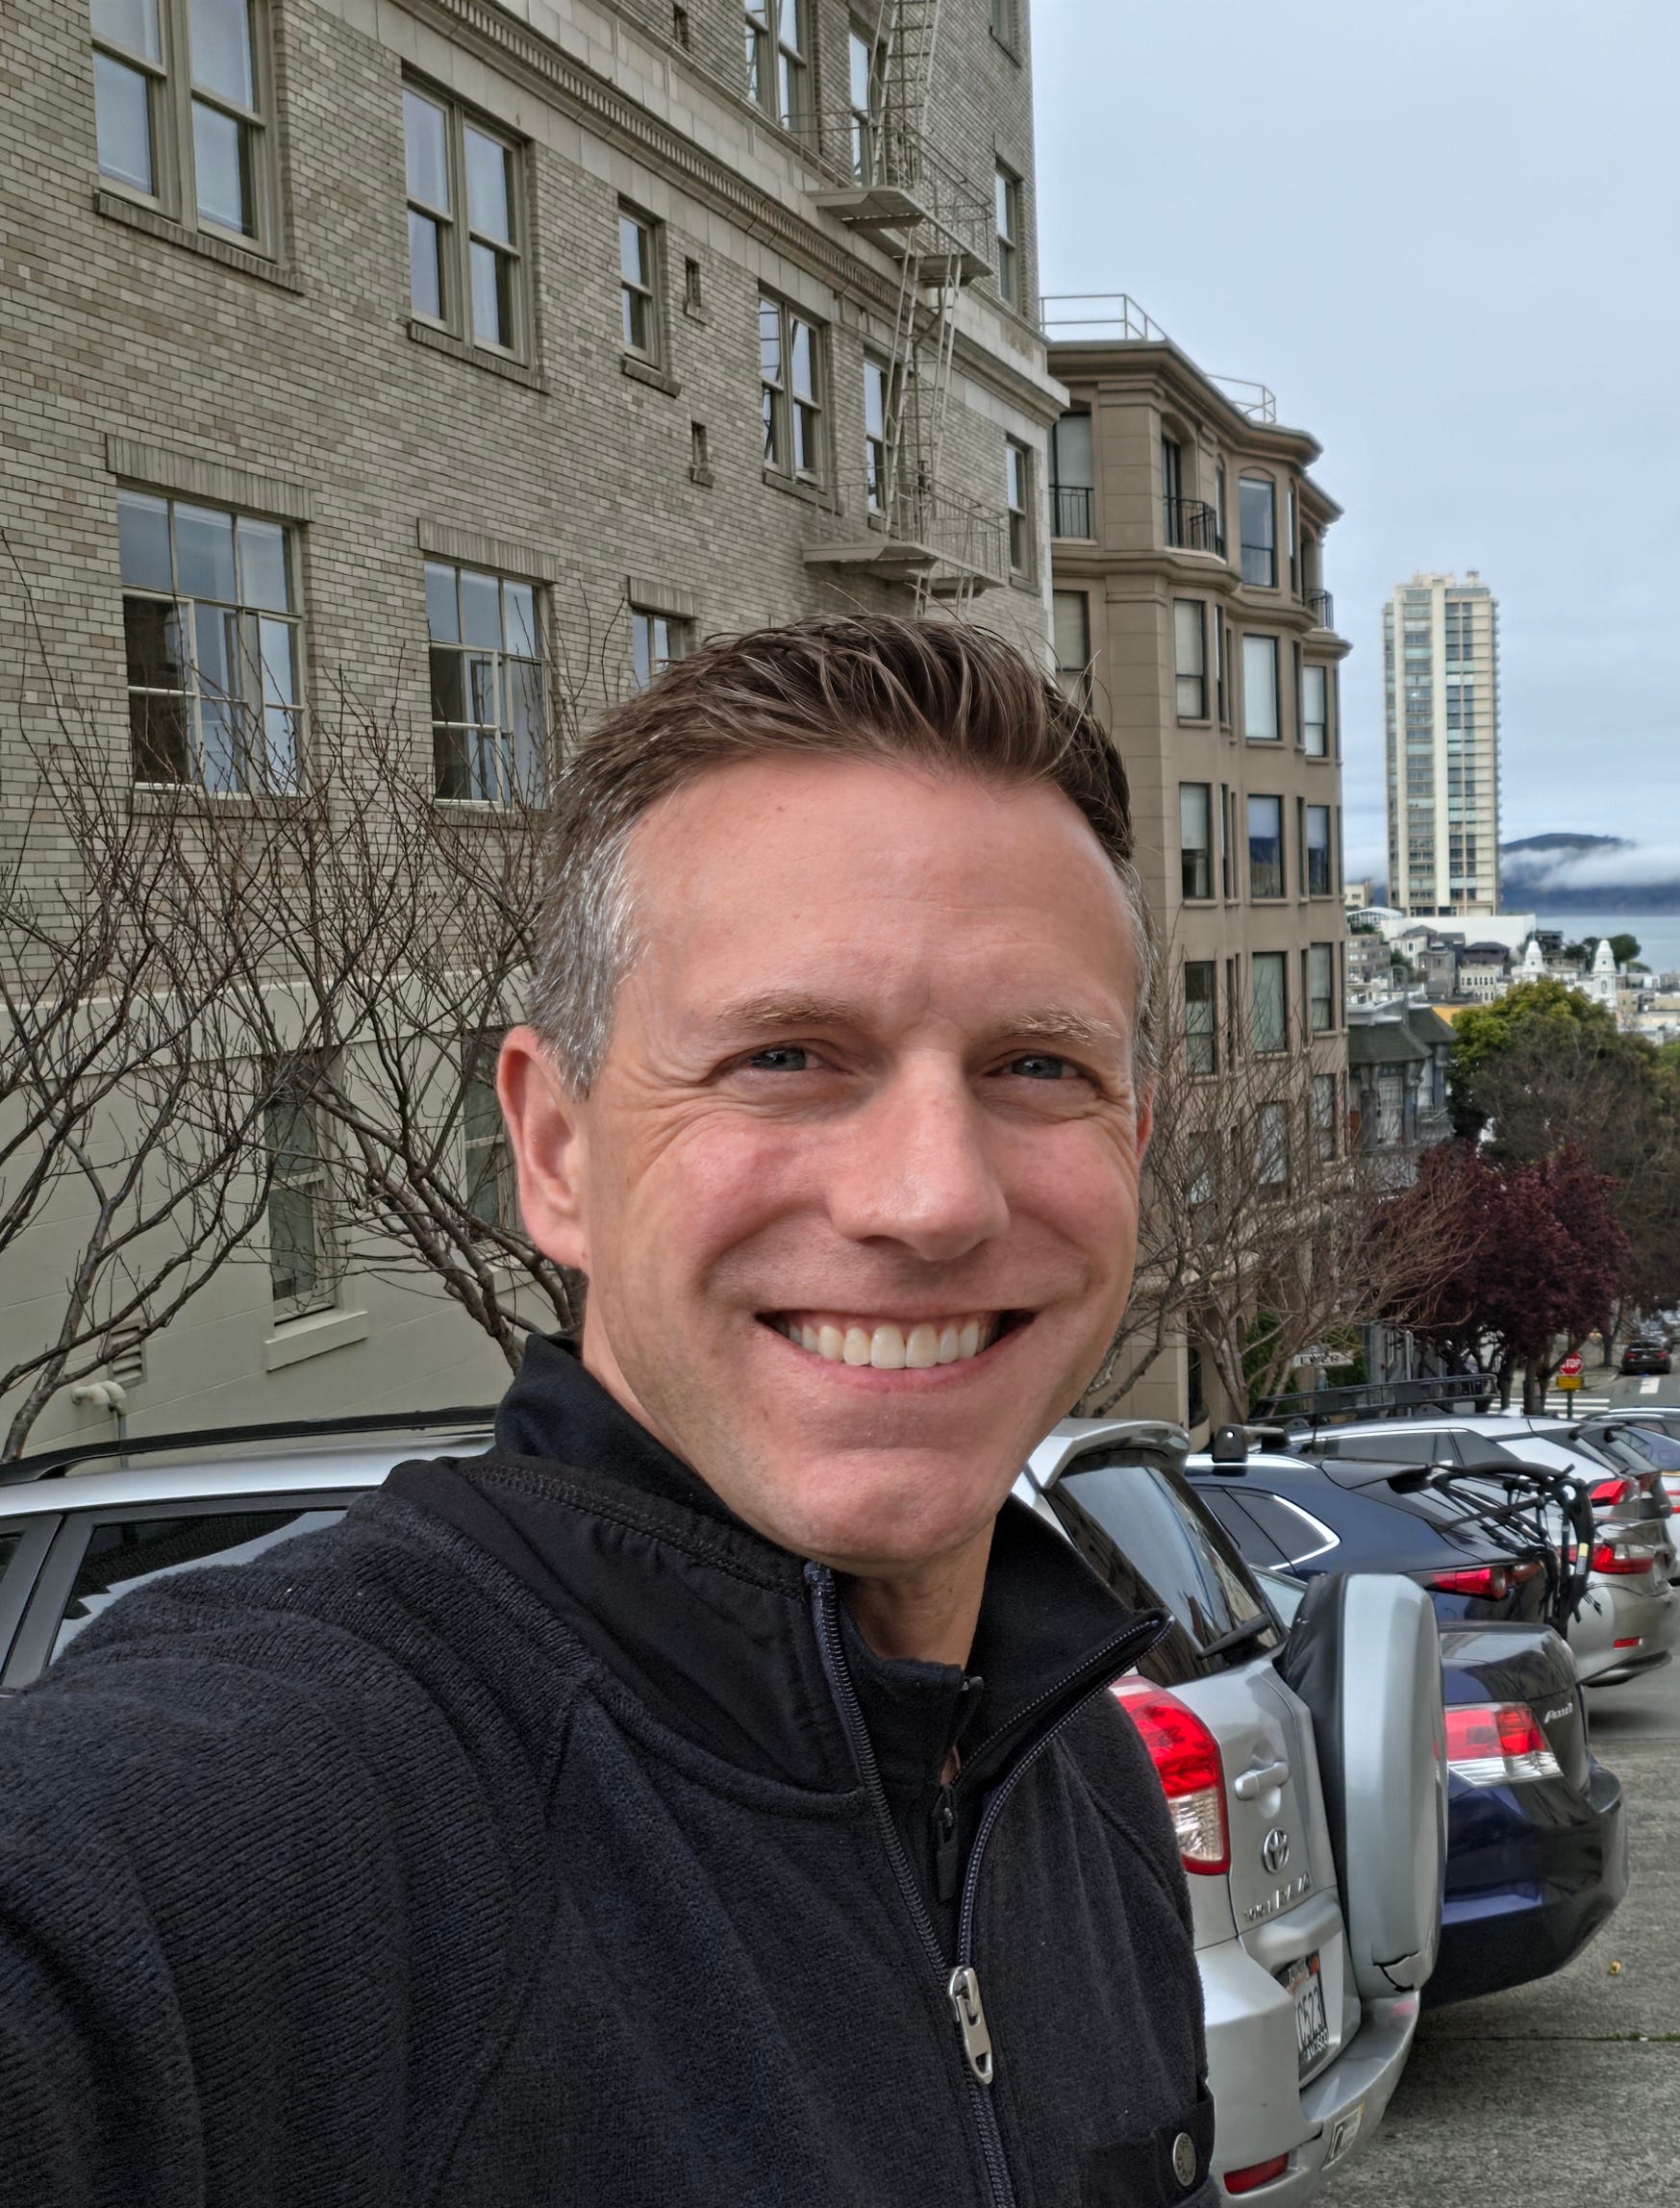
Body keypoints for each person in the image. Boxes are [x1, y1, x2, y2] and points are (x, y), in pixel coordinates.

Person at [0, 617, 1217, 2204]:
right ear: (556, 1150)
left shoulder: (1080, 1794)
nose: (931, 1197)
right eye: (788, 1054)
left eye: (1039, 1067)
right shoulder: (281, 1803)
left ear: (1133, 1143)